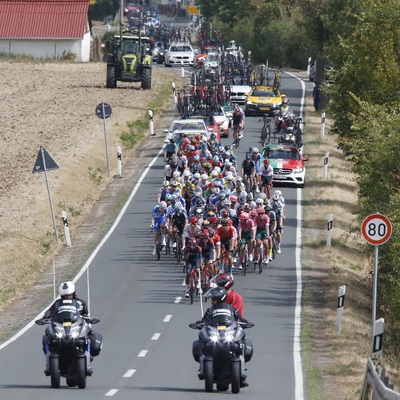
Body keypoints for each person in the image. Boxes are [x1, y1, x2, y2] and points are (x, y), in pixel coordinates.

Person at [201, 286, 249, 388]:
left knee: (241, 345)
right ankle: (203, 368)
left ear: (219, 298)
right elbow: (204, 320)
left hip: (228, 335)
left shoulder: (231, 309)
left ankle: (242, 374)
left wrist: (244, 322)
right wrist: (200, 323)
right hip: (215, 335)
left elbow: (239, 318)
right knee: (201, 343)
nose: (212, 301)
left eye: (213, 299)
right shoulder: (210, 310)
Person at [41, 281, 91, 375]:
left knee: (89, 335)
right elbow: (49, 312)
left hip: (75, 327)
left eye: (70, 295)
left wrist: (89, 319)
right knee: (47, 337)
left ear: (74, 293)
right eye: (65, 296)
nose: (68, 297)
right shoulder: (57, 303)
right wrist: (44, 317)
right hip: (61, 328)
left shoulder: (81, 303)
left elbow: (86, 315)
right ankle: (49, 364)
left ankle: (88, 357)